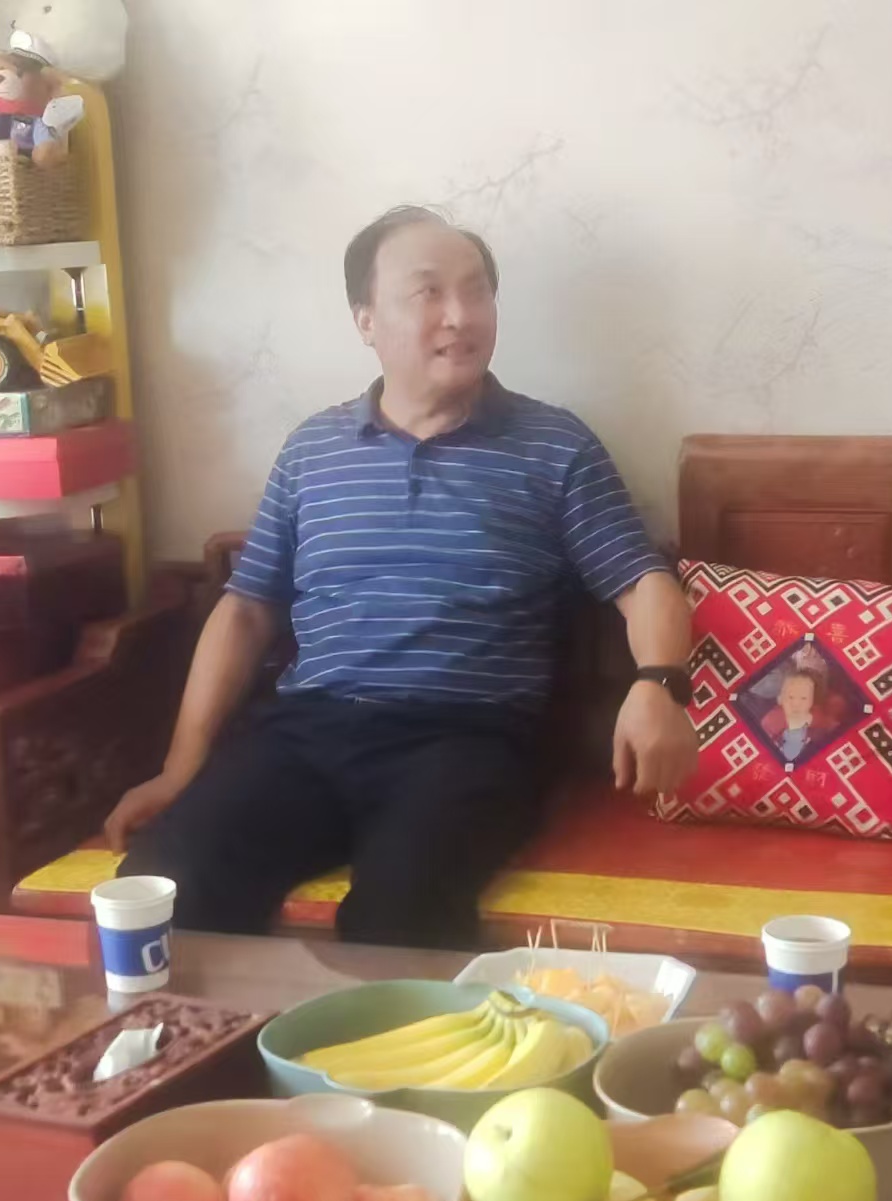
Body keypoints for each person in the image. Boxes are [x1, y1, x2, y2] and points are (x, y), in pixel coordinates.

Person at [102, 206, 698, 947]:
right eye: (428, 292)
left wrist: (660, 683)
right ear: (366, 320)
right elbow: (246, 610)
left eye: (476, 291)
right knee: (164, 885)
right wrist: (179, 768)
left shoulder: (554, 446)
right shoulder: (313, 450)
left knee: (399, 918)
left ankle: (384, 1030)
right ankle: (194, 1027)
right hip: (307, 732)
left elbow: (643, 582)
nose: (461, 315)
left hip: (466, 742)